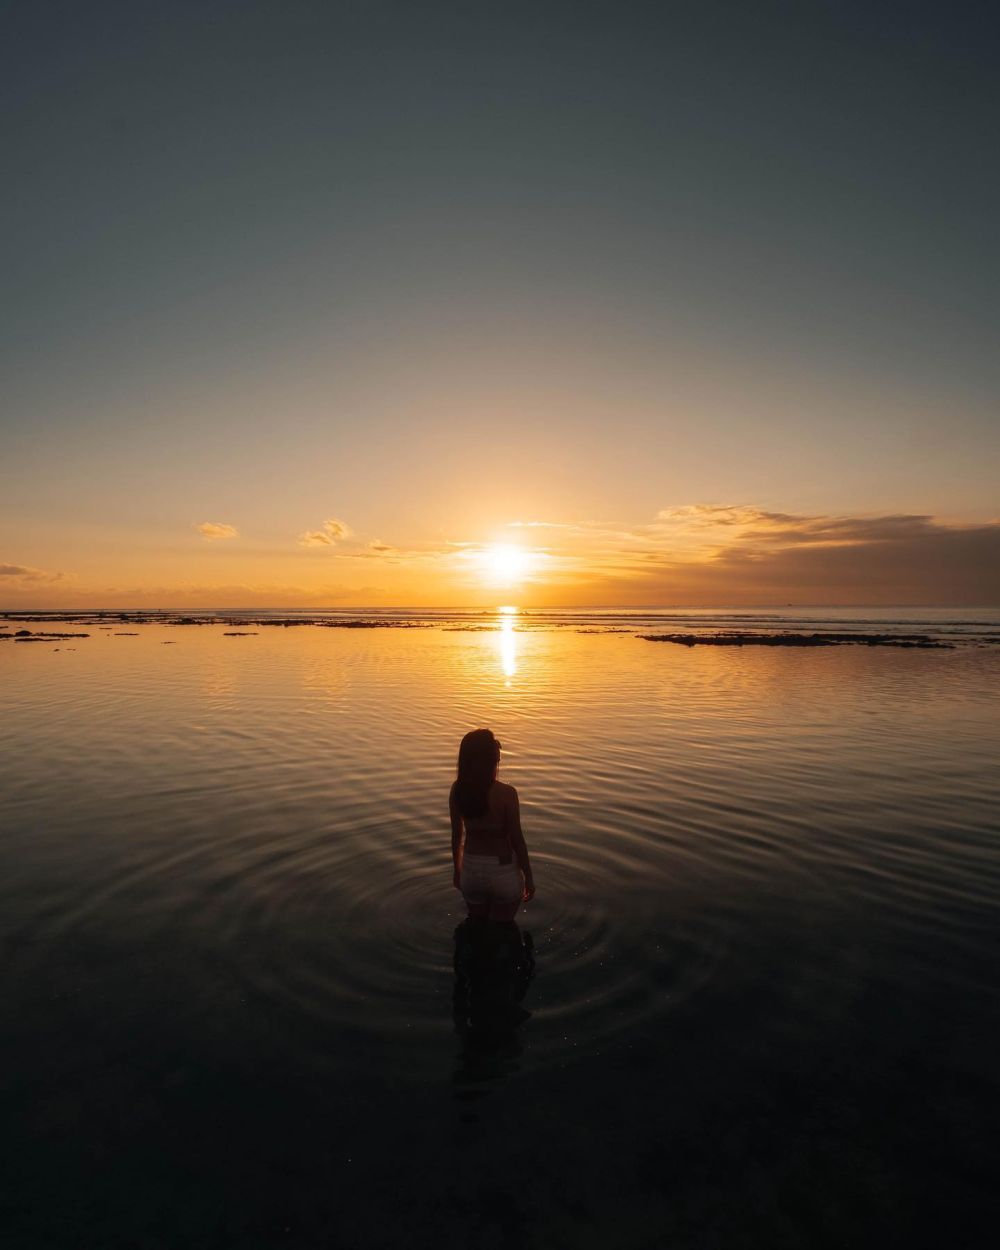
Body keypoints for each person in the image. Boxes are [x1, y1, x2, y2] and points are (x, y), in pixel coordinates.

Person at [450, 728, 535, 921]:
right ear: (489, 761)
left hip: (471, 871)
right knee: (503, 931)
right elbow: (517, 840)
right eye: (496, 760)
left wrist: (457, 871)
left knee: (476, 926)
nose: (498, 764)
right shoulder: (507, 794)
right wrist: (529, 877)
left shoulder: (457, 790)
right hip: (502, 871)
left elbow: (456, 836)